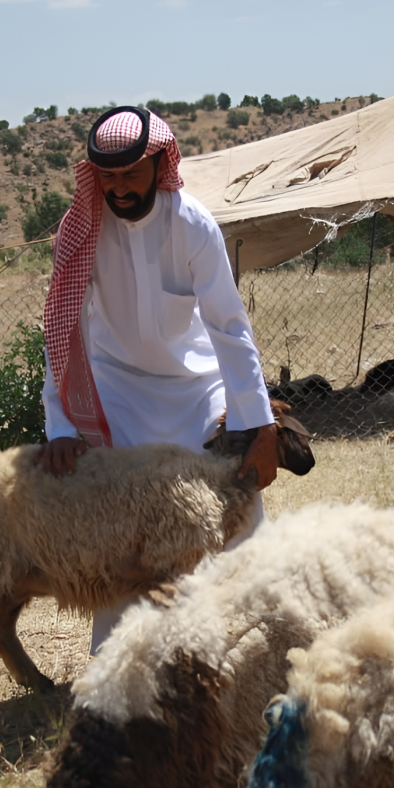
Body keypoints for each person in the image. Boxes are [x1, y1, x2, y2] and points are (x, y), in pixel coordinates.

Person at [37, 106, 277, 649]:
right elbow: (62, 330)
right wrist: (60, 426)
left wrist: (258, 425)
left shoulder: (191, 223)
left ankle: (250, 638)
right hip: (117, 390)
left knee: (238, 504)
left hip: (197, 387)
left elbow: (228, 327)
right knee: (123, 521)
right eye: (108, 177)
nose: (119, 188)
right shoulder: (80, 232)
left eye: (131, 174)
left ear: (157, 164)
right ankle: (121, 654)